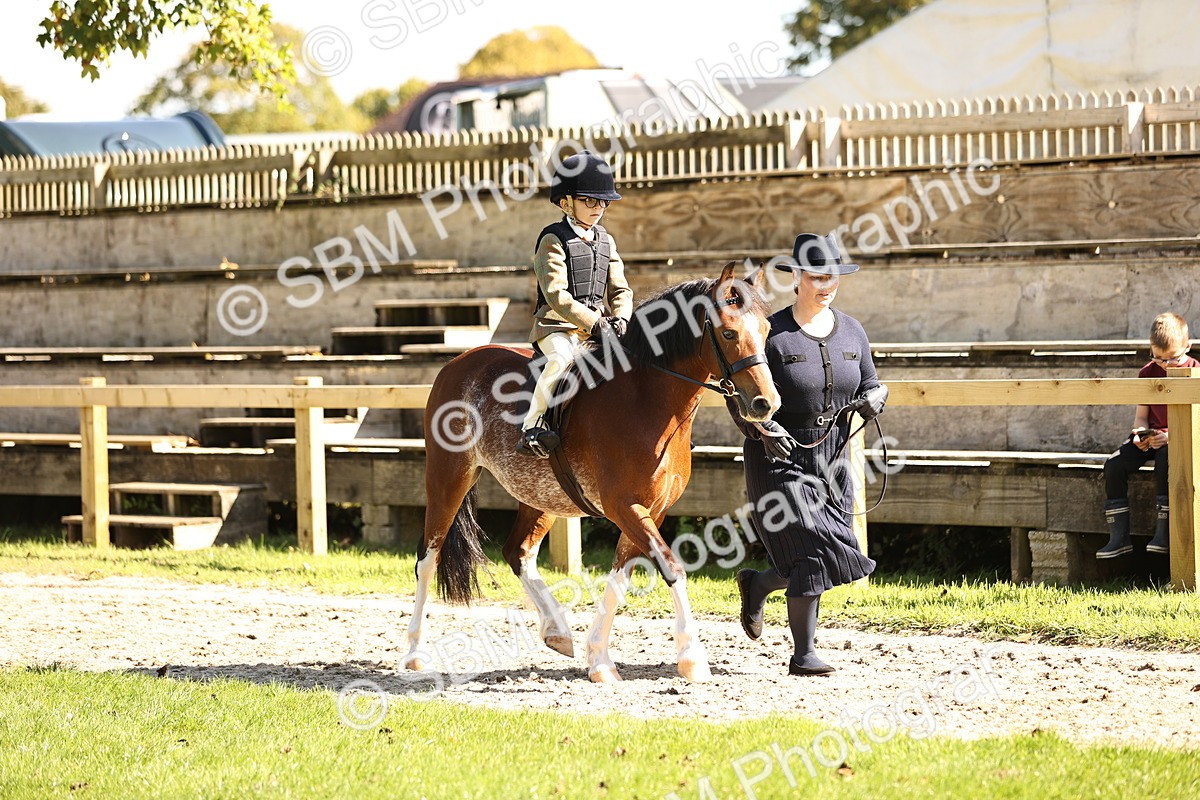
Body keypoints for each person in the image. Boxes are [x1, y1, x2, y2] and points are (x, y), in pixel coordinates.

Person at [731, 233, 887, 676]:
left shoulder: (853, 330)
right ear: (797, 277)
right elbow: (741, 399)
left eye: (833, 277)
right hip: (777, 457)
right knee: (814, 547)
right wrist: (763, 428)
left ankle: (758, 584)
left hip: (834, 458)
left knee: (815, 551)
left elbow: (871, 382)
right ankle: (803, 655)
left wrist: (877, 396)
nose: (827, 285)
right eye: (818, 277)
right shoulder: (771, 332)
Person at [517, 151, 633, 458]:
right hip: (556, 326)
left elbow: (620, 289)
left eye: (603, 202)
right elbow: (557, 295)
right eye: (589, 201)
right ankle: (532, 426)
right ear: (566, 202)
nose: (598, 208)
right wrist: (596, 324)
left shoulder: (606, 240)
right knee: (560, 360)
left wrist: (622, 319)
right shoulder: (552, 239)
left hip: (599, 326)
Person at [1098, 312, 1198, 557]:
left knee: (1165, 456)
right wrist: (1140, 434)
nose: (1165, 364)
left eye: (1172, 358)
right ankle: (1119, 537)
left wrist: (1172, 436)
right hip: (1153, 438)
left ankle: (1164, 533)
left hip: (1182, 438)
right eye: (1158, 357)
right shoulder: (1147, 372)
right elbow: (1141, 417)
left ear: (1188, 346)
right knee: (1114, 464)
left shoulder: (1196, 371)